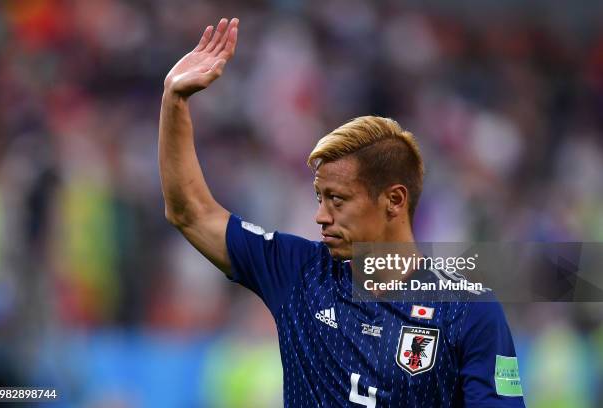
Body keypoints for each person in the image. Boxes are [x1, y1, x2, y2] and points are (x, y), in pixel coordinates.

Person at [159, 17, 526, 408]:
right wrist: (174, 102)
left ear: (394, 201)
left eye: (337, 200)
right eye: (319, 198)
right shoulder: (298, 273)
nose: (320, 216)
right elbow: (190, 212)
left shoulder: (468, 311)